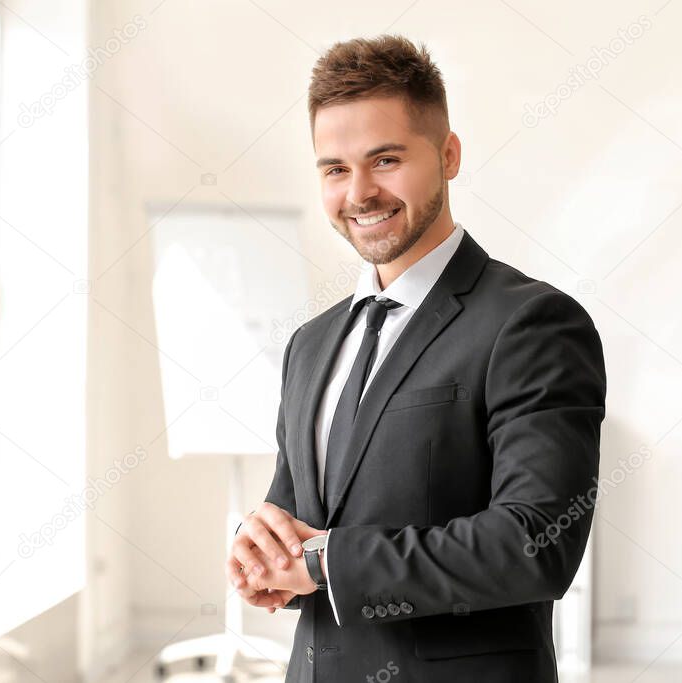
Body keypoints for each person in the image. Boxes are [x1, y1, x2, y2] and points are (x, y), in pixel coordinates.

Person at [225, 34, 607, 682]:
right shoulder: (310, 345)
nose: (360, 192)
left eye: (386, 159)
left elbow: (536, 542)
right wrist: (267, 553)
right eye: (335, 169)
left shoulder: (531, 323)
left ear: (448, 154)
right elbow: (307, 524)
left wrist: (325, 562)